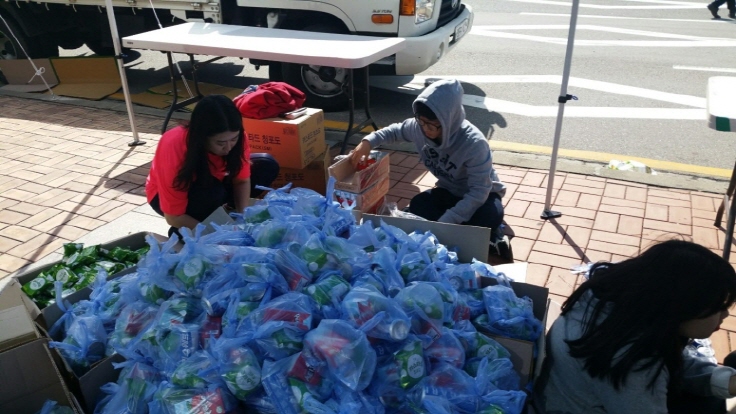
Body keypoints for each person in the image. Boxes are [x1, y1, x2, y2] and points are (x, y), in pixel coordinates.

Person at [533, 239, 736, 414]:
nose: (725, 315)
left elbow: (671, 362)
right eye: (719, 308)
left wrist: (725, 381)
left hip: (576, 399)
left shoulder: (609, 305)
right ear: (682, 308)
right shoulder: (631, 365)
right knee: (711, 404)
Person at [348, 78, 510, 259]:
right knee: (418, 205)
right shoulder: (418, 127)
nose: (425, 129)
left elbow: (479, 191)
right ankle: (469, 234)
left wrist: (446, 222)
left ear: (448, 119)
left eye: (432, 124)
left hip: (483, 195)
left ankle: (493, 234)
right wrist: (367, 142)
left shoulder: (474, 143)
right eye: (421, 121)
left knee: (490, 216)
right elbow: (393, 131)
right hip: (449, 191)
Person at [146, 94, 279, 238]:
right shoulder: (174, 144)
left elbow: (241, 181)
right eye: (220, 143)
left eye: (233, 139)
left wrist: (242, 217)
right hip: (169, 197)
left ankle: (225, 211)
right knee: (213, 193)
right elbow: (173, 216)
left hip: (215, 182)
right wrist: (217, 234)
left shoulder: (236, 137)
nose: (228, 147)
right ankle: (185, 230)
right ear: (202, 137)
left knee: (266, 165)